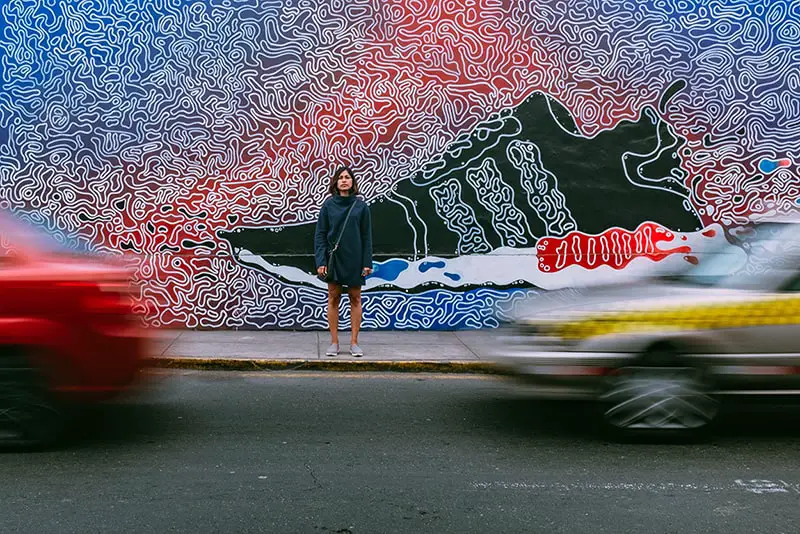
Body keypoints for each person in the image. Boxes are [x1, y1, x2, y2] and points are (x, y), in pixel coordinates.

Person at [314, 166, 373, 357]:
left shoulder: (360, 207)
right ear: (335, 182)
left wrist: (367, 262)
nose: (344, 180)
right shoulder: (328, 205)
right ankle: (334, 343)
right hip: (334, 258)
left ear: (353, 182)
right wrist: (321, 261)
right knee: (333, 297)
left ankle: (354, 343)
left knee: (355, 297)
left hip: (355, 257)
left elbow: (366, 236)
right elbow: (320, 235)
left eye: (347, 177)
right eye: (340, 177)